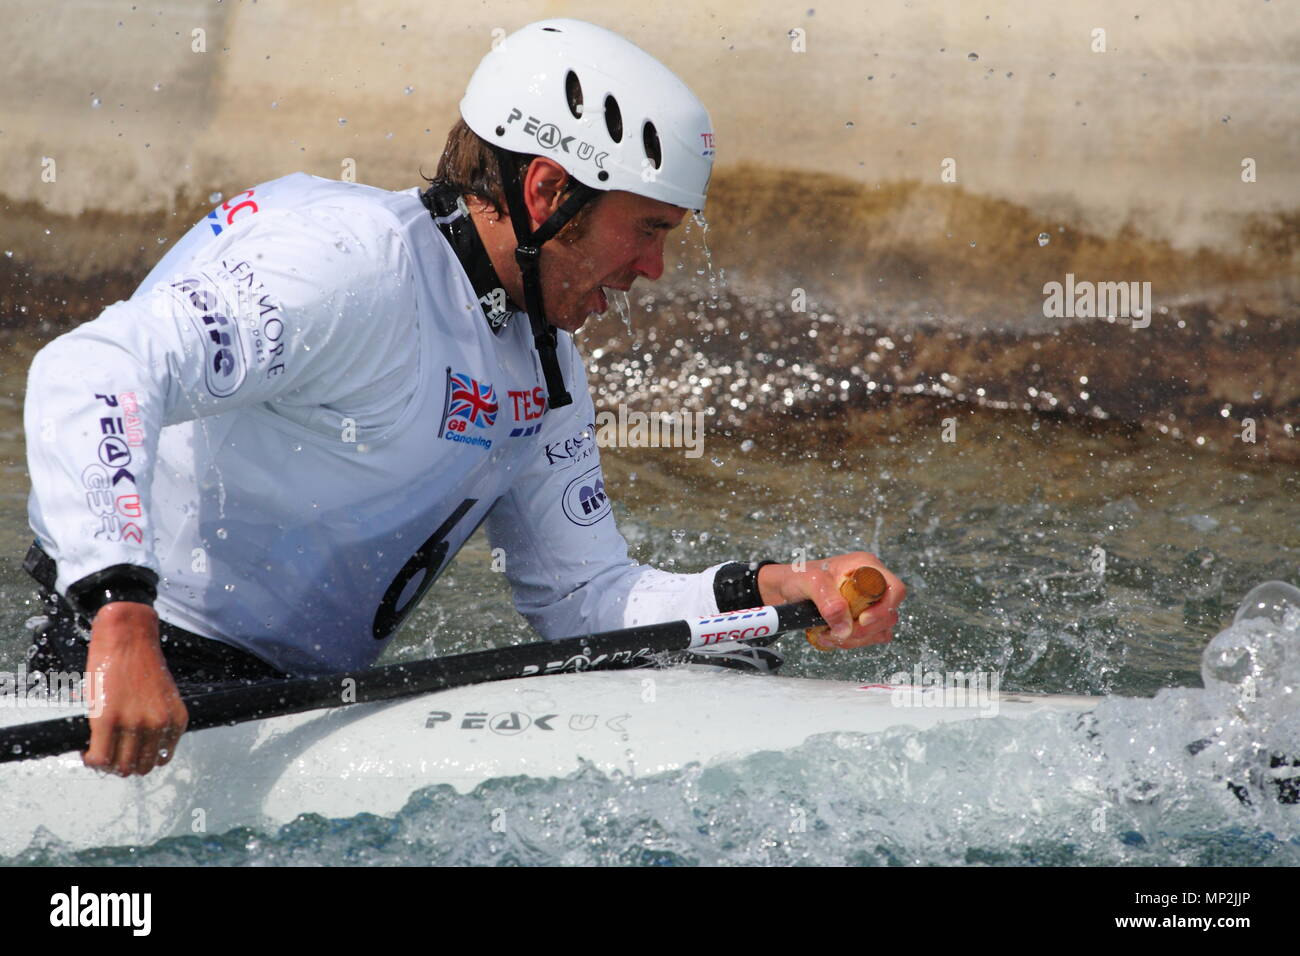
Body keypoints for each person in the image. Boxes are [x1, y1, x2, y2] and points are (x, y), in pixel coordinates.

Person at [21, 18, 906, 778]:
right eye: (646, 230)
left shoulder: (542, 361)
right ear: (549, 192)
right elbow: (90, 369)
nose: (653, 271)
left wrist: (767, 591)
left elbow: (586, 600)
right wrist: (120, 621)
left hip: (288, 707)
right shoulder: (350, 266)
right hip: (125, 678)